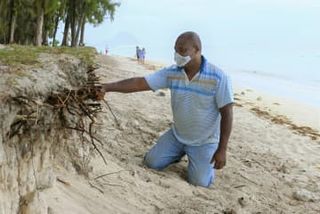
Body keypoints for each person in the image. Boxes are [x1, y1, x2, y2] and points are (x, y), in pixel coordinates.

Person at [95, 31, 234, 187]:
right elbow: (139, 83)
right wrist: (107, 87)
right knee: (151, 162)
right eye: (175, 50)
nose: (177, 55)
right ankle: (177, 154)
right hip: (177, 135)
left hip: (205, 141)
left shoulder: (218, 77)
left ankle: (199, 163)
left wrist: (222, 149)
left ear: (197, 50)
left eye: (182, 50)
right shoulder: (172, 73)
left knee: (200, 182)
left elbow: (227, 113)